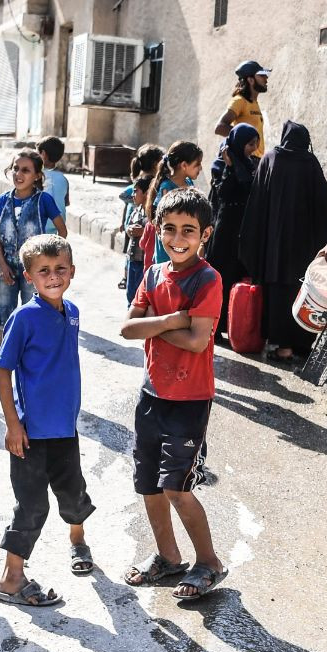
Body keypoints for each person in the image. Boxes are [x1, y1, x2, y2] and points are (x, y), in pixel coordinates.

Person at [118, 188, 230, 602]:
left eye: (188, 230)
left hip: (190, 400)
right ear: (157, 230)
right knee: (148, 484)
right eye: (169, 228)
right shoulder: (151, 275)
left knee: (177, 488)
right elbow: (128, 329)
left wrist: (154, 324)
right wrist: (171, 319)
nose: (177, 238)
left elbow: (198, 341)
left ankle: (209, 562)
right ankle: (168, 557)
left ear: (205, 235)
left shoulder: (208, 279)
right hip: (152, 394)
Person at [0, 233, 95, 607]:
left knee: (73, 492)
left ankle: (77, 541)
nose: (53, 277)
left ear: (72, 271)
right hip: (30, 433)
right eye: (44, 271)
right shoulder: (23, 318)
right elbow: (3, 372)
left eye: (60, 269)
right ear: (28, 276)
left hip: (64, 430)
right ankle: (12, 578)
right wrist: (12, 425)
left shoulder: (72, 313)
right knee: (32, 504)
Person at [239, 120, 327, 360]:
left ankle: (282, 345)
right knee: (301, 289)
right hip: (303, 245)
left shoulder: (270, 158)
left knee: (278, 291)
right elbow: (322, 199)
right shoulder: (310, 162)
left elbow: (258, 200)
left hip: (274, 244)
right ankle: (301, 344)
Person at [0, 149, 64, 395]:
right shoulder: (4, 200)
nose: (19, 174)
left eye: (26, 170)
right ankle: (2, 376)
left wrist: (43, 263)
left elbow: (61, 232)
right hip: (7, 270)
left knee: (35, 317)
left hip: (34, 273)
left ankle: (36, 372)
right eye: (16, 169)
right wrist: (2, 265)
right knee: (5, 321)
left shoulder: (44, 201)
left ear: (37, 175)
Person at [206, 122, 259, 340]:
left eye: (255, 143)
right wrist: (229, 166)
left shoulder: (251, 164)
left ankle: (232, 326)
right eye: (250, 144)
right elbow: (224, 194)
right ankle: (214, 328)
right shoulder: (219, 165)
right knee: (221, 278)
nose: (254, 148)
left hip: (244, 230)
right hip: (225, 230)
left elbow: (250, 189)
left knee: (238, 276)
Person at [141, 141, 204, 267]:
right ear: (184, 165)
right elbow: (162, 220)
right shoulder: (167, 188)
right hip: (170, 247)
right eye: (197, 164)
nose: (201, 168)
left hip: (185, 242)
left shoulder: (189, 182)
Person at [119, 145, 164, 289]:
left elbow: (123, 196)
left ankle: (126, 277)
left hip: (141, 229)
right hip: (136, 223)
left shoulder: (141, 182)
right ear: (156, 163)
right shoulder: (149, 183)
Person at [214, 59, 270, 157]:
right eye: (261, 75)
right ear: (251, 80)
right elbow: (219, 127)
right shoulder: (239, 101)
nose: (266, 78)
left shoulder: (254, 103)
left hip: (257, 162)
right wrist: (244, 137)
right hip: (247, 160)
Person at [122, 175, 151, 305]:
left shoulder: (152, 214)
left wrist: (143, 231)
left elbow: (158, 233)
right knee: (130, 295)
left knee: (140, 299)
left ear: (146, 193)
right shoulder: (136, 210)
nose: (133, 194)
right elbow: (128, 227)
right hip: (132, 259)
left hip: (143, 262)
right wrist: (129, 230)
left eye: (136, 191)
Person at [37, 135, 72, 214]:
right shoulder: (64, 179)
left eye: (37, 154)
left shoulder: (36, 177)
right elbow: (66, 203)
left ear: (43, 154)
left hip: (41, 225)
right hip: (59, 224)